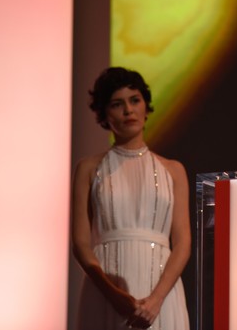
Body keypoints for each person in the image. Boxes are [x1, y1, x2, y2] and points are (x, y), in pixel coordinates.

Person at [72, 67, 191, 330]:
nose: (128, 110)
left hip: (161, 290)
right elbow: (81, 245)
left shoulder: (173, 170)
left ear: (146, 107)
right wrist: (114, 295)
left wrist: (156, 300)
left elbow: (182, 243)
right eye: (117, 104)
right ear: (104, 115)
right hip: (106, 290)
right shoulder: (89, 168)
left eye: (134, 100)